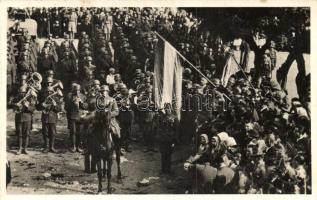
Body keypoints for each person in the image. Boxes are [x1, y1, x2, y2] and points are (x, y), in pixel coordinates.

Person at [12, 85, 37, 155]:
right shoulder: (16, 98)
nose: (22, 94)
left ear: (26, 92)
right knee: (19, 134)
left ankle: (25, 148)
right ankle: (20, 148)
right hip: (19, 118)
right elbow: (11, 105)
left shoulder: (30, 99)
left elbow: (33, 108)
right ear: (19, 92)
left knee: (26, 134)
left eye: (24, 92)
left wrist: (27, 106)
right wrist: (15, 105)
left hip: (27, 118)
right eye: (21, 92)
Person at [64, 84, 88, 152]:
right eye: (75, 90)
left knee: (80, 132)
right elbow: (66, 107)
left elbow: (86, 107)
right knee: (73, 132)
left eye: (78, 90)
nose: (77, 91)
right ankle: (73, 146)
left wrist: (81, 102)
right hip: (73, 116)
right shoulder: (69, 96)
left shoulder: (83, 96)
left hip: (80, 116)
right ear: (73, 90)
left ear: (80, 90)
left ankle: (79, 146)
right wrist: (73, 102)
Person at [38, 86, 62, 153]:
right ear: (46, 92)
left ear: (53, 92)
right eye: (47, 91)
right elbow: (38, 108)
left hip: (53, 118)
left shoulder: (56, 99)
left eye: (50, 91)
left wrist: (55, 105)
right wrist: (41, 105)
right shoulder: (43, 98)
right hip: (45, 118)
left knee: (53, 133)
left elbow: (59, 109)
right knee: (45, 133)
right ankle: (46, 147)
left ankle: (52, 147)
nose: (49, 93)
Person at [157, 103, 179, 174]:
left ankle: (168, 170)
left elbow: (177, 130)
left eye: (169, 108)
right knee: (163, 154)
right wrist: (160, 136)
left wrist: (174, 141)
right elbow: (159, 128)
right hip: (163, 139)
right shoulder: (161, 117)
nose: (167, 110)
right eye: (166, 108)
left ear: (171, 109)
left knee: (169, 155)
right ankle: (163, 170)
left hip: (170, 140)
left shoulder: (174, 118)